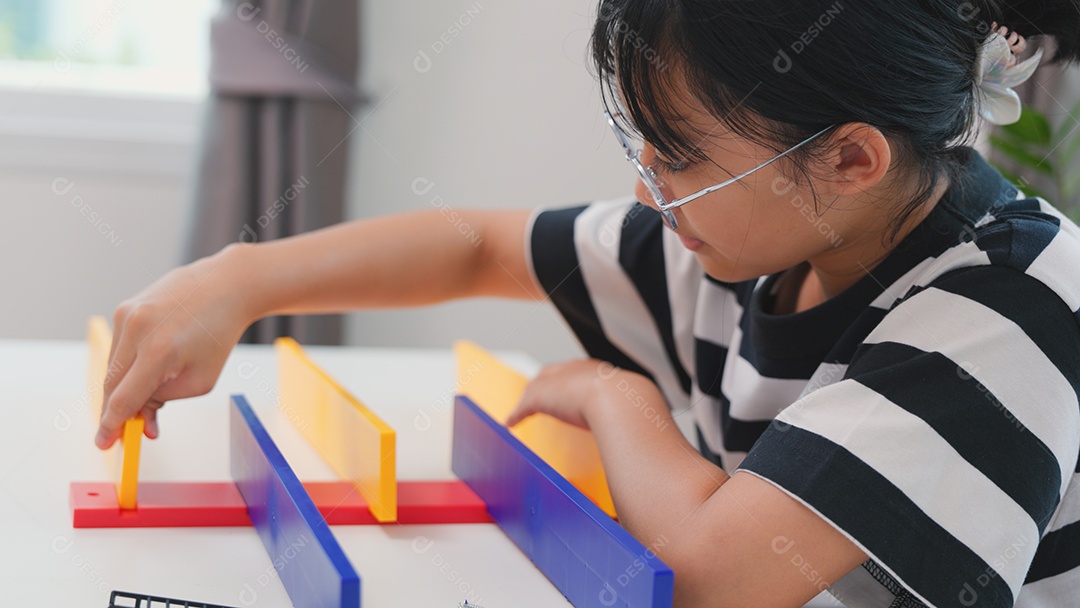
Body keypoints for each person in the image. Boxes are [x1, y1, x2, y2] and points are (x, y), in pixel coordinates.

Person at [96, 1, 1080, 606]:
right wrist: (234, 277)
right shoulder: (753, 235)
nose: (652, 188)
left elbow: (702, 580)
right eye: (639, 145)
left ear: (848, 158)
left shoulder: (1009, 313)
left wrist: (621, 400)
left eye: (680, 154)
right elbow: (477, 246)